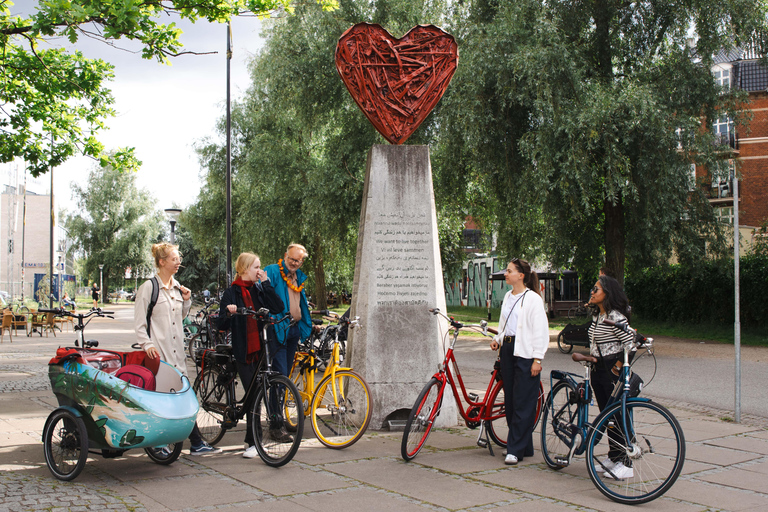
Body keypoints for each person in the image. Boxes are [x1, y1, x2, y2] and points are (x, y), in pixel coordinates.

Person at [134, 242, 222, 456]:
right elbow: (139, 323)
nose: (178, 262)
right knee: (163, 402)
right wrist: (147, 344)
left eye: (178, 259)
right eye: (174, 259)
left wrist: (186, 301)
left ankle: (196, 443)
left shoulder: (177, 286)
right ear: (162, 262)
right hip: (160, 354)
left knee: (183, 398)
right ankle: (160, 444)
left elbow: (179, 318)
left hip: (177, 355)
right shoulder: (149, 287)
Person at [218, 252, 284, 457]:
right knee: (254, 394)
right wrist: (229, 312)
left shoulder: (258, 289)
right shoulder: (231, 293)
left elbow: (278, 307)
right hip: (244, 350)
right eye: (256, 267)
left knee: (257, 393)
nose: (260, 271)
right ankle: (253, 442)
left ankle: (252, 441)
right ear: (245, 268)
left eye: (260, 267)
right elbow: (222, 324)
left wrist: (266, 284)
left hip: (263, 349)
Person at [489, 258, 549, 465]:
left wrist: (537, 359)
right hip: (507, 349)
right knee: (511, 400)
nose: (505, 274)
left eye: (509, 271)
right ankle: (524, 446)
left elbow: (540, 330)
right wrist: (497, 339)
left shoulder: (532, 299)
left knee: (523, 401)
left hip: (525, 352)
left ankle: (514, 449)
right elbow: (504, 323)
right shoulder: (508, 296)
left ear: (521, 275)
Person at [586, 274, 636, 479]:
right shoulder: (598, 315)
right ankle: (614, 456)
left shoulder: (615, 316)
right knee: (607, 417)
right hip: (598, 369)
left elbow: (631, 343)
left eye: (596, 289)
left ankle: (626, 463)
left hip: (611, 370)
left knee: (617, 416)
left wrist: (618, 366)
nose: (592, 291)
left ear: (607, 293)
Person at [264, 244, 313, 378]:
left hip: (294, 328)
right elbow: (262, 295)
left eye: (297, 261)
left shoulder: (299, 277)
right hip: (278, 328)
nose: (293, 262)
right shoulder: (273, 271)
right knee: (280, 373)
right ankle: (276, 399)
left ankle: (281, 399)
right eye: (291, 258)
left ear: (301, 263)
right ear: (285, 256)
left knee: (287, 373)